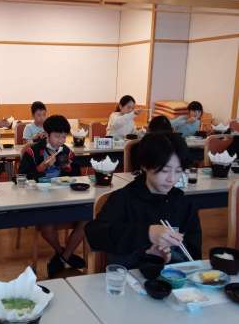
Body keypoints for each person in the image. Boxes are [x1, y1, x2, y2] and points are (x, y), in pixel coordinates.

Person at [85, 132, 202, 268]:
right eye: (164, 171)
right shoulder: (124, 198)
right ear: (145, 165)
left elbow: (194, 253)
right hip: (129, 277)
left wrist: (171, 256)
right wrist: (147, 233)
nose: (171, 179)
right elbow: (95, 234)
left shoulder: (183, 203)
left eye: (178, 171)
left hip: (175, 278)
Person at [19, 115, 85, 277]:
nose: (60, 141)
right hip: (41, 199)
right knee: (47, 227)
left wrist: (69, 168)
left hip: (64, 198)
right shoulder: (33, 151)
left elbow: (78, 176)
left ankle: (62, 258)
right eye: (57, 136)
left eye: (63, 137)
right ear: (47, 134)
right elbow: (21, 178)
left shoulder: (66, 151)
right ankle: (64, 255)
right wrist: (41, 168)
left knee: (87, 219)